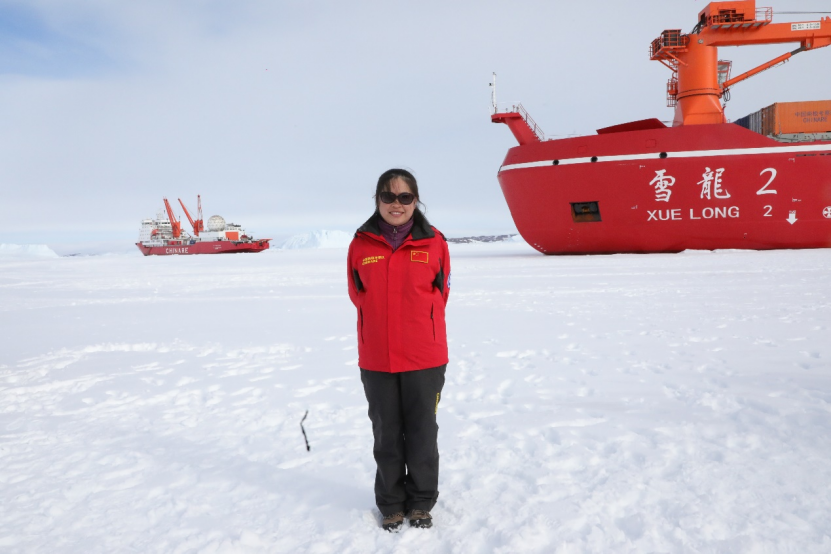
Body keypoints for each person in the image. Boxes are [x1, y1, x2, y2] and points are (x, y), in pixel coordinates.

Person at [347, 168, 451, 532]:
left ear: (415, 201)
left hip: (425, 356)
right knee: (386, 433)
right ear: (377, 200)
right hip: (376, 357)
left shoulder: (434, 242)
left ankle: (421, 502)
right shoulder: (361, 244)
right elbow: (357, 294)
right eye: (389, 197)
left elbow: (442, 293)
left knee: (422, 431)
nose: (397, 204)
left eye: (405, 197)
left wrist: (421, 327)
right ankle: (391, 503)